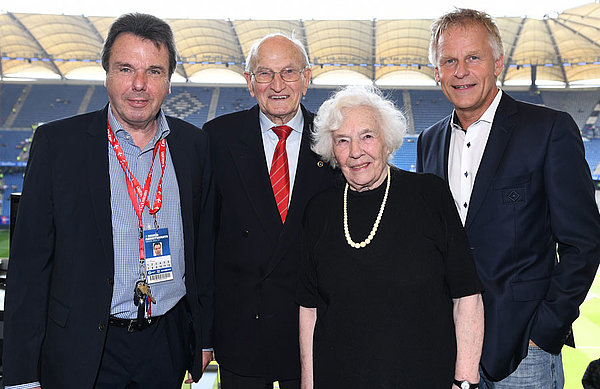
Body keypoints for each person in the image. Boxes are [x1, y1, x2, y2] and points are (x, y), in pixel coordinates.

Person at [3, 13, 214, 389]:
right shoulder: (58, 146)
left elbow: (204, 252)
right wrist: (22, 374)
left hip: (165, 342)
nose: (139, 84)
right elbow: (29, 267)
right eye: (125, 68)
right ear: (106, 75)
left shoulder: (194, 146)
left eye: (153, 71)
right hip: (84, 345)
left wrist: (202, 336)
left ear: (169, 82)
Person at [417, 8, 600, 388]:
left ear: (498, 62)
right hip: (446, 347)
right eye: (449, 60)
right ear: (437, 71)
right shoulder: (429, 141)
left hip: (524, 353)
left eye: (473, 58)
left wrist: (543, 332)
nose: (460, 71)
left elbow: (583, 242)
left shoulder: (548, 130)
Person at [297, 85, 484, 389]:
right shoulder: (319, 210)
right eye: (342, 141)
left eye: (367, 136)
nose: (356, 151)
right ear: (332, 150)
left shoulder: (429, 195)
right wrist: (308, 384)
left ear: (387, 141)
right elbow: (309, 309)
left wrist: (465, 381)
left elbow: (467, 297)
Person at [202, 33, 337, 389]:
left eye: (289, 72)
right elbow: (203, 241)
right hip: (240, 334)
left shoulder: (335, 140)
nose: (277, 85)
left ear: (306, 79)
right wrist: (202, 332)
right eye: (265, 73)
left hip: (313, 333)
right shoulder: (217, 139)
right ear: (250, 82)